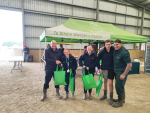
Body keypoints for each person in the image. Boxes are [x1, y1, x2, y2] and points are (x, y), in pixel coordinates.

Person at [112, 39, 132, 107]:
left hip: (121, 72)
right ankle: (121, 99)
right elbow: (109, 47)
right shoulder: (116, 50)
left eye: (117, 44)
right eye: (114, 44)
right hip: (116, 71)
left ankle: (120, 101)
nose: (115, 46)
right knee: (120, 86)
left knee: (119, 86)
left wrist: (123, 74)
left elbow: (129, 64)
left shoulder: (124, 52)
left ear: (121, 44)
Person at [97, 40, 115, 105]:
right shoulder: (101, 52)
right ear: (105, 45)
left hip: (111, 69)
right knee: (104, 81)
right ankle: (105, 95)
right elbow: (97, 60)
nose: (108, 46)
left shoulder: (113, 50)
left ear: (111, 44)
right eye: (107, 44)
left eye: (109, 44)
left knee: (110, 83)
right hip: (104, 69)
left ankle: (111, 97)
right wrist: (99, 68)